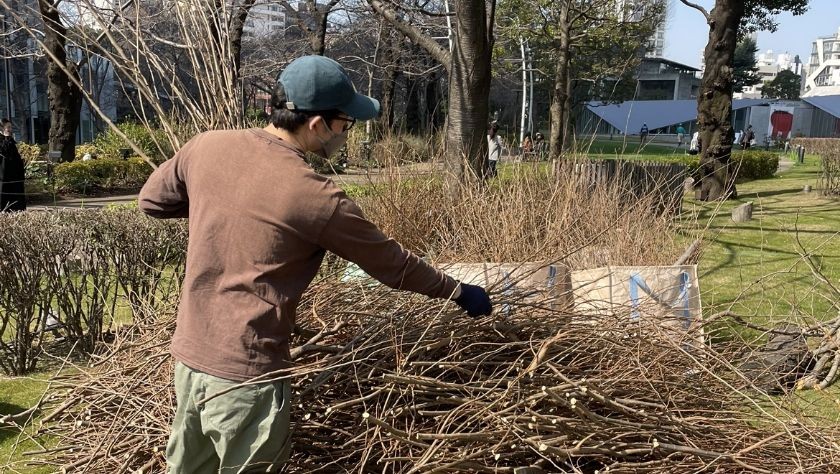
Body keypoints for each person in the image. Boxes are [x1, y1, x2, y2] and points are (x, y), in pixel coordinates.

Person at [138, 55, 493, 473]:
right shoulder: (315, 197)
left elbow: (152, 201)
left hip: (191, 359)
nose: (346, 135)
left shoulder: (208, 145)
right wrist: (457, 290)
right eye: (346, 124)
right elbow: (392, 264)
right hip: (246, 377)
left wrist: (218, 209)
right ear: (317, 124)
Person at [0, 118, 26, 212]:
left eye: (11, 127)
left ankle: (18, 209)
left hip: (15, 174)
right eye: (8, 127)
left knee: (16, 194)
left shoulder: (11, 140)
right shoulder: (2, 140)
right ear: (2, 128)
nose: (10, 129)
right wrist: (6, 137)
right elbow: (4, 152)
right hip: (5, 174)